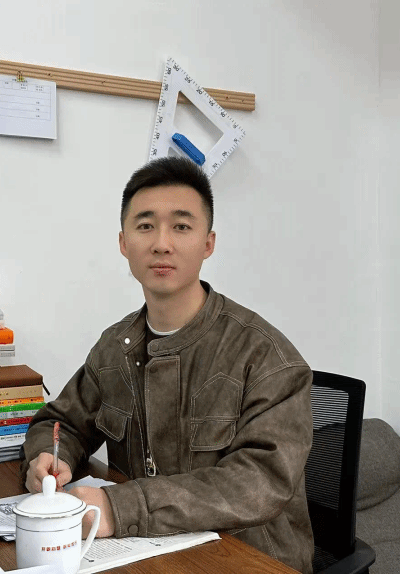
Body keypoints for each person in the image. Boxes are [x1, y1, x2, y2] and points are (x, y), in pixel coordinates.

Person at [22, 156, 314, 574]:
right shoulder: (115, 348)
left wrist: (120, 508)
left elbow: (260, 482)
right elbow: (60, 423)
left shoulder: (266, 357)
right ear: (123, 243)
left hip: (247, 559)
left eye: (181, 226)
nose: (161, 244)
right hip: (147, 554)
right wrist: (49, 458)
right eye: (145, 226)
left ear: (208, 243)